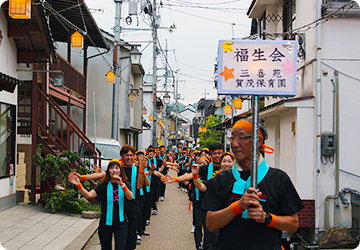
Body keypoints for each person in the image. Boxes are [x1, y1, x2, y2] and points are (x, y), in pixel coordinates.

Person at [201, 120, 305, 250]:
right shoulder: (222, 179)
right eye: (232, 138)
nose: (235, 144)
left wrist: (266, 218)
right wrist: (238, 206)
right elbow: (211, 224)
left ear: (258, 141)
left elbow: (293, 224)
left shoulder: (278, 179)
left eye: (242, 138)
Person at [68, 160, 133, 250]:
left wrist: (121, 184)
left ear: (120, 171)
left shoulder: (126, 184)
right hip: (105, 223)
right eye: (111, 168)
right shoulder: (103, 185)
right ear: (108, 171)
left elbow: (130, 196)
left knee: (120, 248)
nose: (114, 170)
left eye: (117, 168)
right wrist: (79, 185)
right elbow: (89, 195)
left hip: (121, 223)